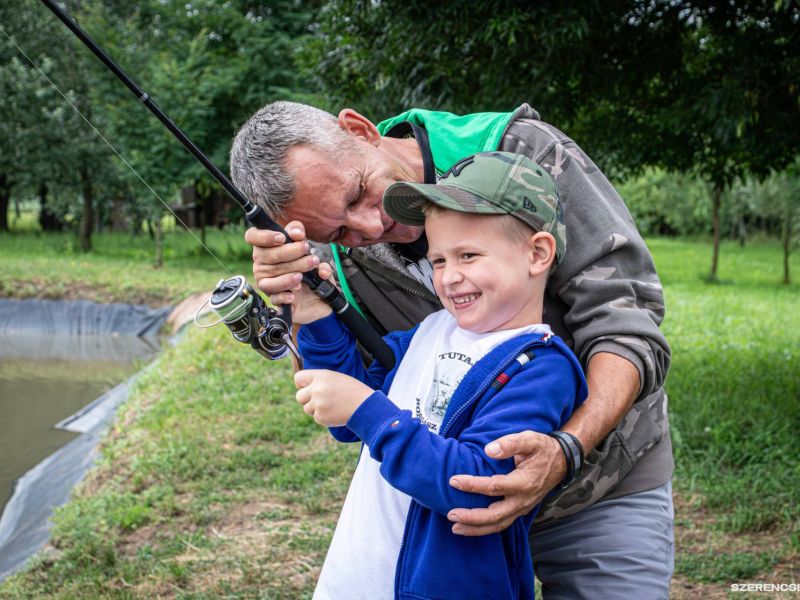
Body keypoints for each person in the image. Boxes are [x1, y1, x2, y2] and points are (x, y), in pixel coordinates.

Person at [230, 101, 674, 598]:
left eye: (360, 192)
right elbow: (347, 392)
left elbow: (624, 321)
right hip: (450, 530)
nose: (369, 230)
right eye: (339, 232)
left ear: (360, 130)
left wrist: (565, 450)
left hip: (600, 485)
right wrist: (302, 303)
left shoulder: (521, 153)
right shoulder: (332, 259)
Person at [292, 151, 587, 599]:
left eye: (468, 255)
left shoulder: (541, 368)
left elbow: (478, 486)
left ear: (537, 253)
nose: (448, 278)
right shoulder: (430, 331)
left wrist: (367, 410)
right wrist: (315, 316)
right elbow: (347, 411)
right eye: (440, 261)